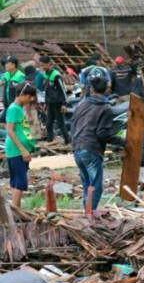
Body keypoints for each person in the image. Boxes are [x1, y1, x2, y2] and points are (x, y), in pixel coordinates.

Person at [71, 67, 125, 212]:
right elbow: (102, 134)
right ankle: (90, 216)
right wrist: (122, 142)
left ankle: (86, 214)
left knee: (87, 186)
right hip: (91, 149)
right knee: (95, 187)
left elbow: (73, 125)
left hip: (77, 148)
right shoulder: (105, 108)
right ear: (107, 87)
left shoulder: (82, 104)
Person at [5, 84, 36, 208]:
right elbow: (10, 130)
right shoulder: (13, 109)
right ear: (22, 95)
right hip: (16, 150)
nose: (30, 99)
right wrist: (23, 150)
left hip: (19, 150)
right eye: (29, 97)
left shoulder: (18, 108)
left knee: (17, 183)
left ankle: (16, 212)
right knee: (20, 183)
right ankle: (15, 212)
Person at [40, 56, 70, 144]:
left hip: (58, 103)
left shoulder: (56, 75)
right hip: (50, 103)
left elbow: (63, 89)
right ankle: (50, 141)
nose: (42, 67)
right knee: (48, 124)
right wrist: (45, 102)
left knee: (61, 124)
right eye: (41, 65)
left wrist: (64, 104)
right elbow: (46, 89)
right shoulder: (45, 74)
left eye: (43, 65)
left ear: (49, 64)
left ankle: (68, 141)